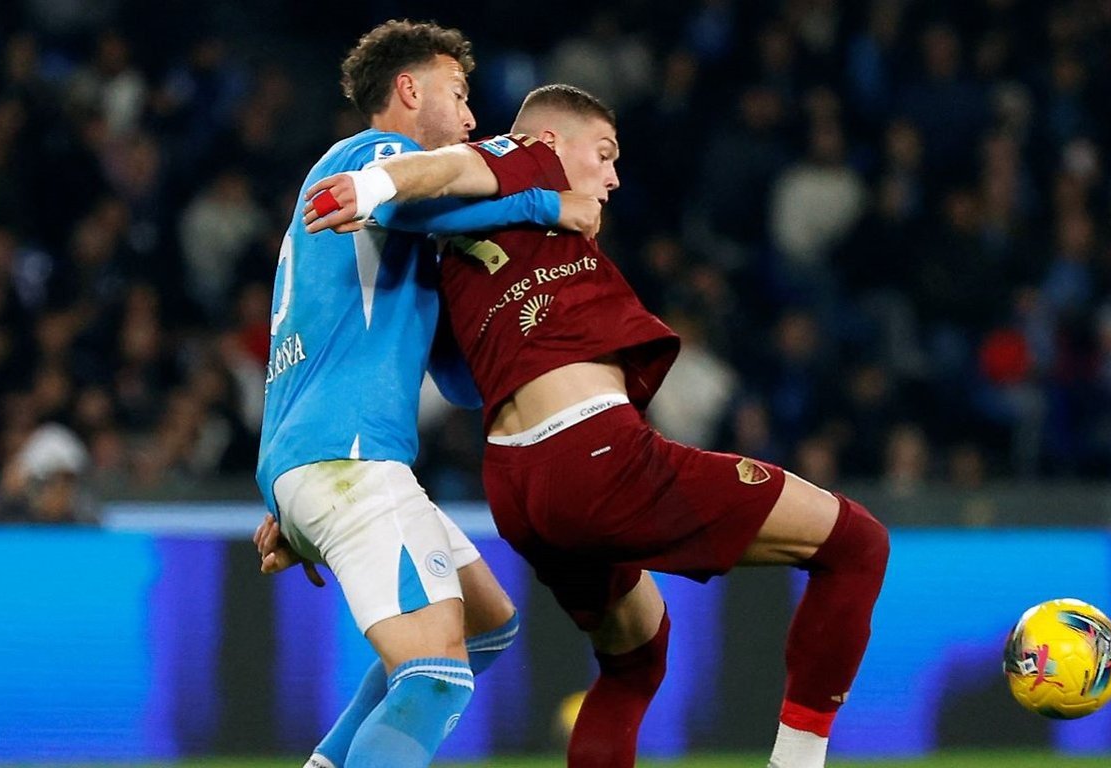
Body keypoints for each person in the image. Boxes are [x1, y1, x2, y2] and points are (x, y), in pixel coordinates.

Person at [305, 84, 891, 768]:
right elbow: (450, 166)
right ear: (550, 141)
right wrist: (372, 186)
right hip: (592, 449)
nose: (613, 178)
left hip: (517, 485)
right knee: (858, 543)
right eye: (605, 154)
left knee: (636, 655)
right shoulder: (531, 157)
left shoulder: (456, 252)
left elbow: (459, 382)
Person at [255, 22, 601, 768]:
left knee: (485, 625)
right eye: (459, 93)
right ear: (409, 90)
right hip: (349, 459)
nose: (471, 117)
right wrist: (547, 207)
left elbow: (457, 382)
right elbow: (412, 201)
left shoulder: (388, 231)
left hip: (320, 461)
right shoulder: (373, 157)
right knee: (435, 678)